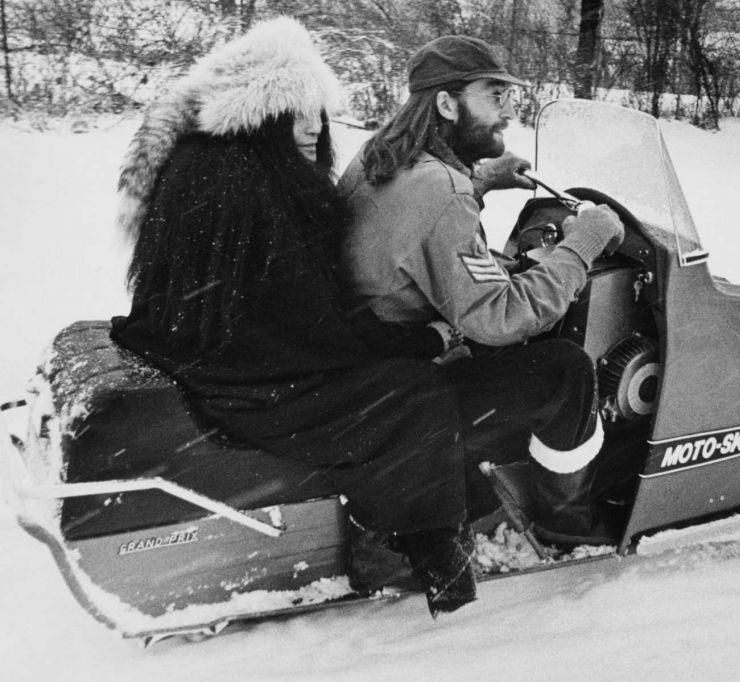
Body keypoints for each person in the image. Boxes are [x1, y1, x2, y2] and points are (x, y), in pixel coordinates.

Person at [110, 17, 475, 616]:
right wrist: (420, 343)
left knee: (398, 378)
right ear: (260, 114)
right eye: (294, 111)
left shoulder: (219, 166)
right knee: (414, 396)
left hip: (214, 358)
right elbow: (311, 333)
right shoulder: (248, 190)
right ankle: (415, 553)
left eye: (318, 111)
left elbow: (282, 311)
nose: (312, 126)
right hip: (251, 383)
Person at [337, 36, 626, 547]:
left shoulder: (378, 157)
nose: (510, 111)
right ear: (446, 104)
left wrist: (482, 178)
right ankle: (565, 525)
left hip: (370, 366)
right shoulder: (441, 192)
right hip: (406, 387)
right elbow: (500, 319)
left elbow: (419, 222)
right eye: (495, 96)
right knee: (565, 370)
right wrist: (583, 243)